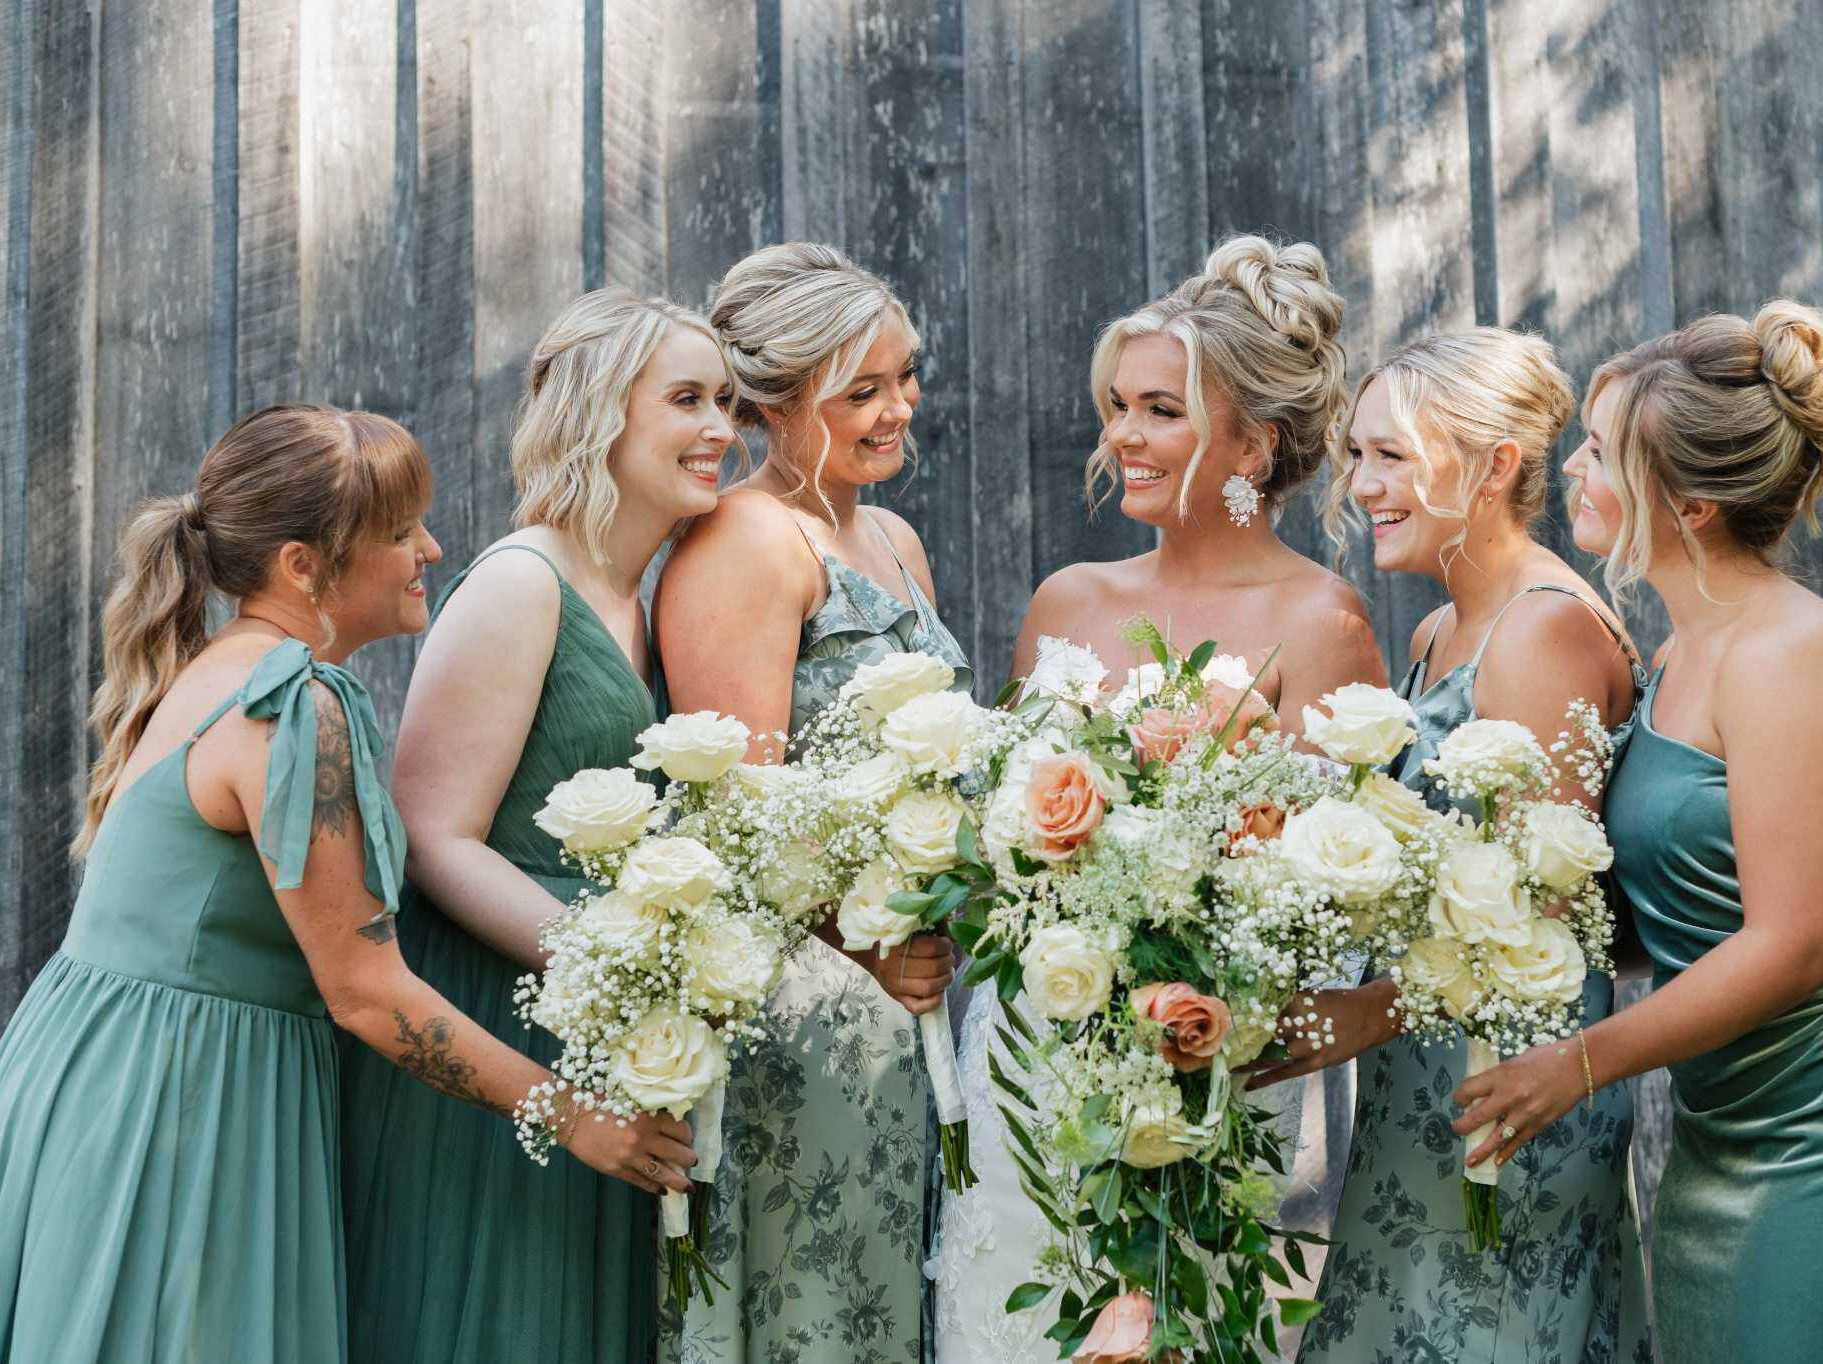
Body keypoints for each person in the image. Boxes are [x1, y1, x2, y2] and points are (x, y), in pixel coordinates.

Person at [0, 404, 692, 1364]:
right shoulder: (297, 709)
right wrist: (570, 1115)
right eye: (400, 533)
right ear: (302, 566)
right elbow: (366, 993)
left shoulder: (221, 666)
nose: (431, 550)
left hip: (95, 1064)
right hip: (176, 1097)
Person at [1456, 301, 1823, 1362]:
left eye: (1604, 454)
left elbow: (1794, 942)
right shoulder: (1674, 654)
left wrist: (1580, 1059)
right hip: (1715, 1151)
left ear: (1692, 499)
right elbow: (1670, 903)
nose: (1574, 472)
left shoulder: (1788, 651)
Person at [937, 235, 1386, 1361]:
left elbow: (1337, 889)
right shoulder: (1067, 602)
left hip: (1214, 1066)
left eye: (1159, 410)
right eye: (1115, 407)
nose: (1121, 437)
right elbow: (999, 846)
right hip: (1034, 1054)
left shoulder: (1322, 622)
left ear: (1253, 439)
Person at [338, 292, 727, 1362]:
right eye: (687, 398)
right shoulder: (523, 583)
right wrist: (608, 955)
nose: (721, 427)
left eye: (727, 400)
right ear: (603, 413)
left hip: (594, 1026)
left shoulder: (634, 598)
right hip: (503, 1016)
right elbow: (433, 835)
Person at [1255, 329, 1654, 1363]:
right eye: (1357, 454)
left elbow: (1539, 915)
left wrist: (1362, 1013)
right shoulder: (1441, 633)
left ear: (1494, 466)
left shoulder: (1544, 631)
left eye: (1392, 454)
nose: (1362, 482)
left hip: (1507, 1096)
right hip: (1422, 1087)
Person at [654, 243, 960, 1364]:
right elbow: (742, 810)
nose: (899, 409)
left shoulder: (890, 538)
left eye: (905, 376)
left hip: (906, 1007)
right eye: (862, 390)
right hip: (802, 1010)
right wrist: (867, 944)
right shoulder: (742, 544)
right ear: (774, 406)